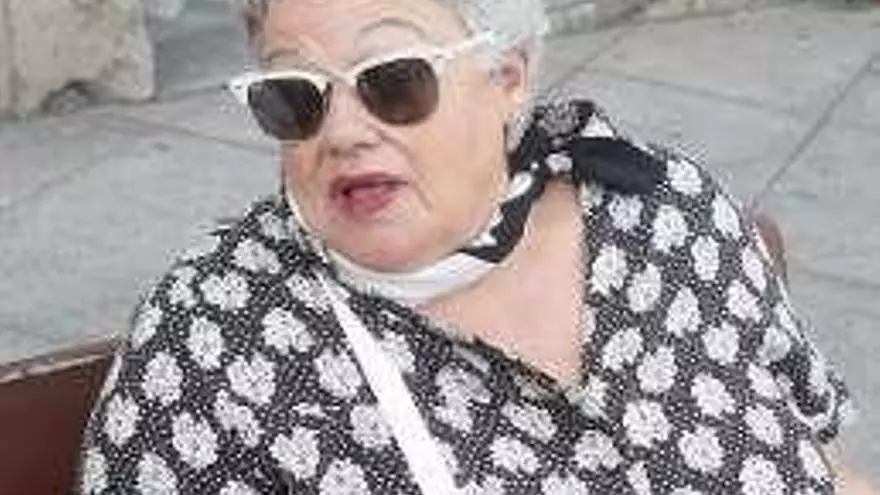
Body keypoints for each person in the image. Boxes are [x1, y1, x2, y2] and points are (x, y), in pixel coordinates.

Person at [78, 0, 872, 493]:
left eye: (394, 81)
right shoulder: (212, 339)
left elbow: (814, 463)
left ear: (508, 76)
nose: (342, 133)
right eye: (296, 97)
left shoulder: (660, 209)